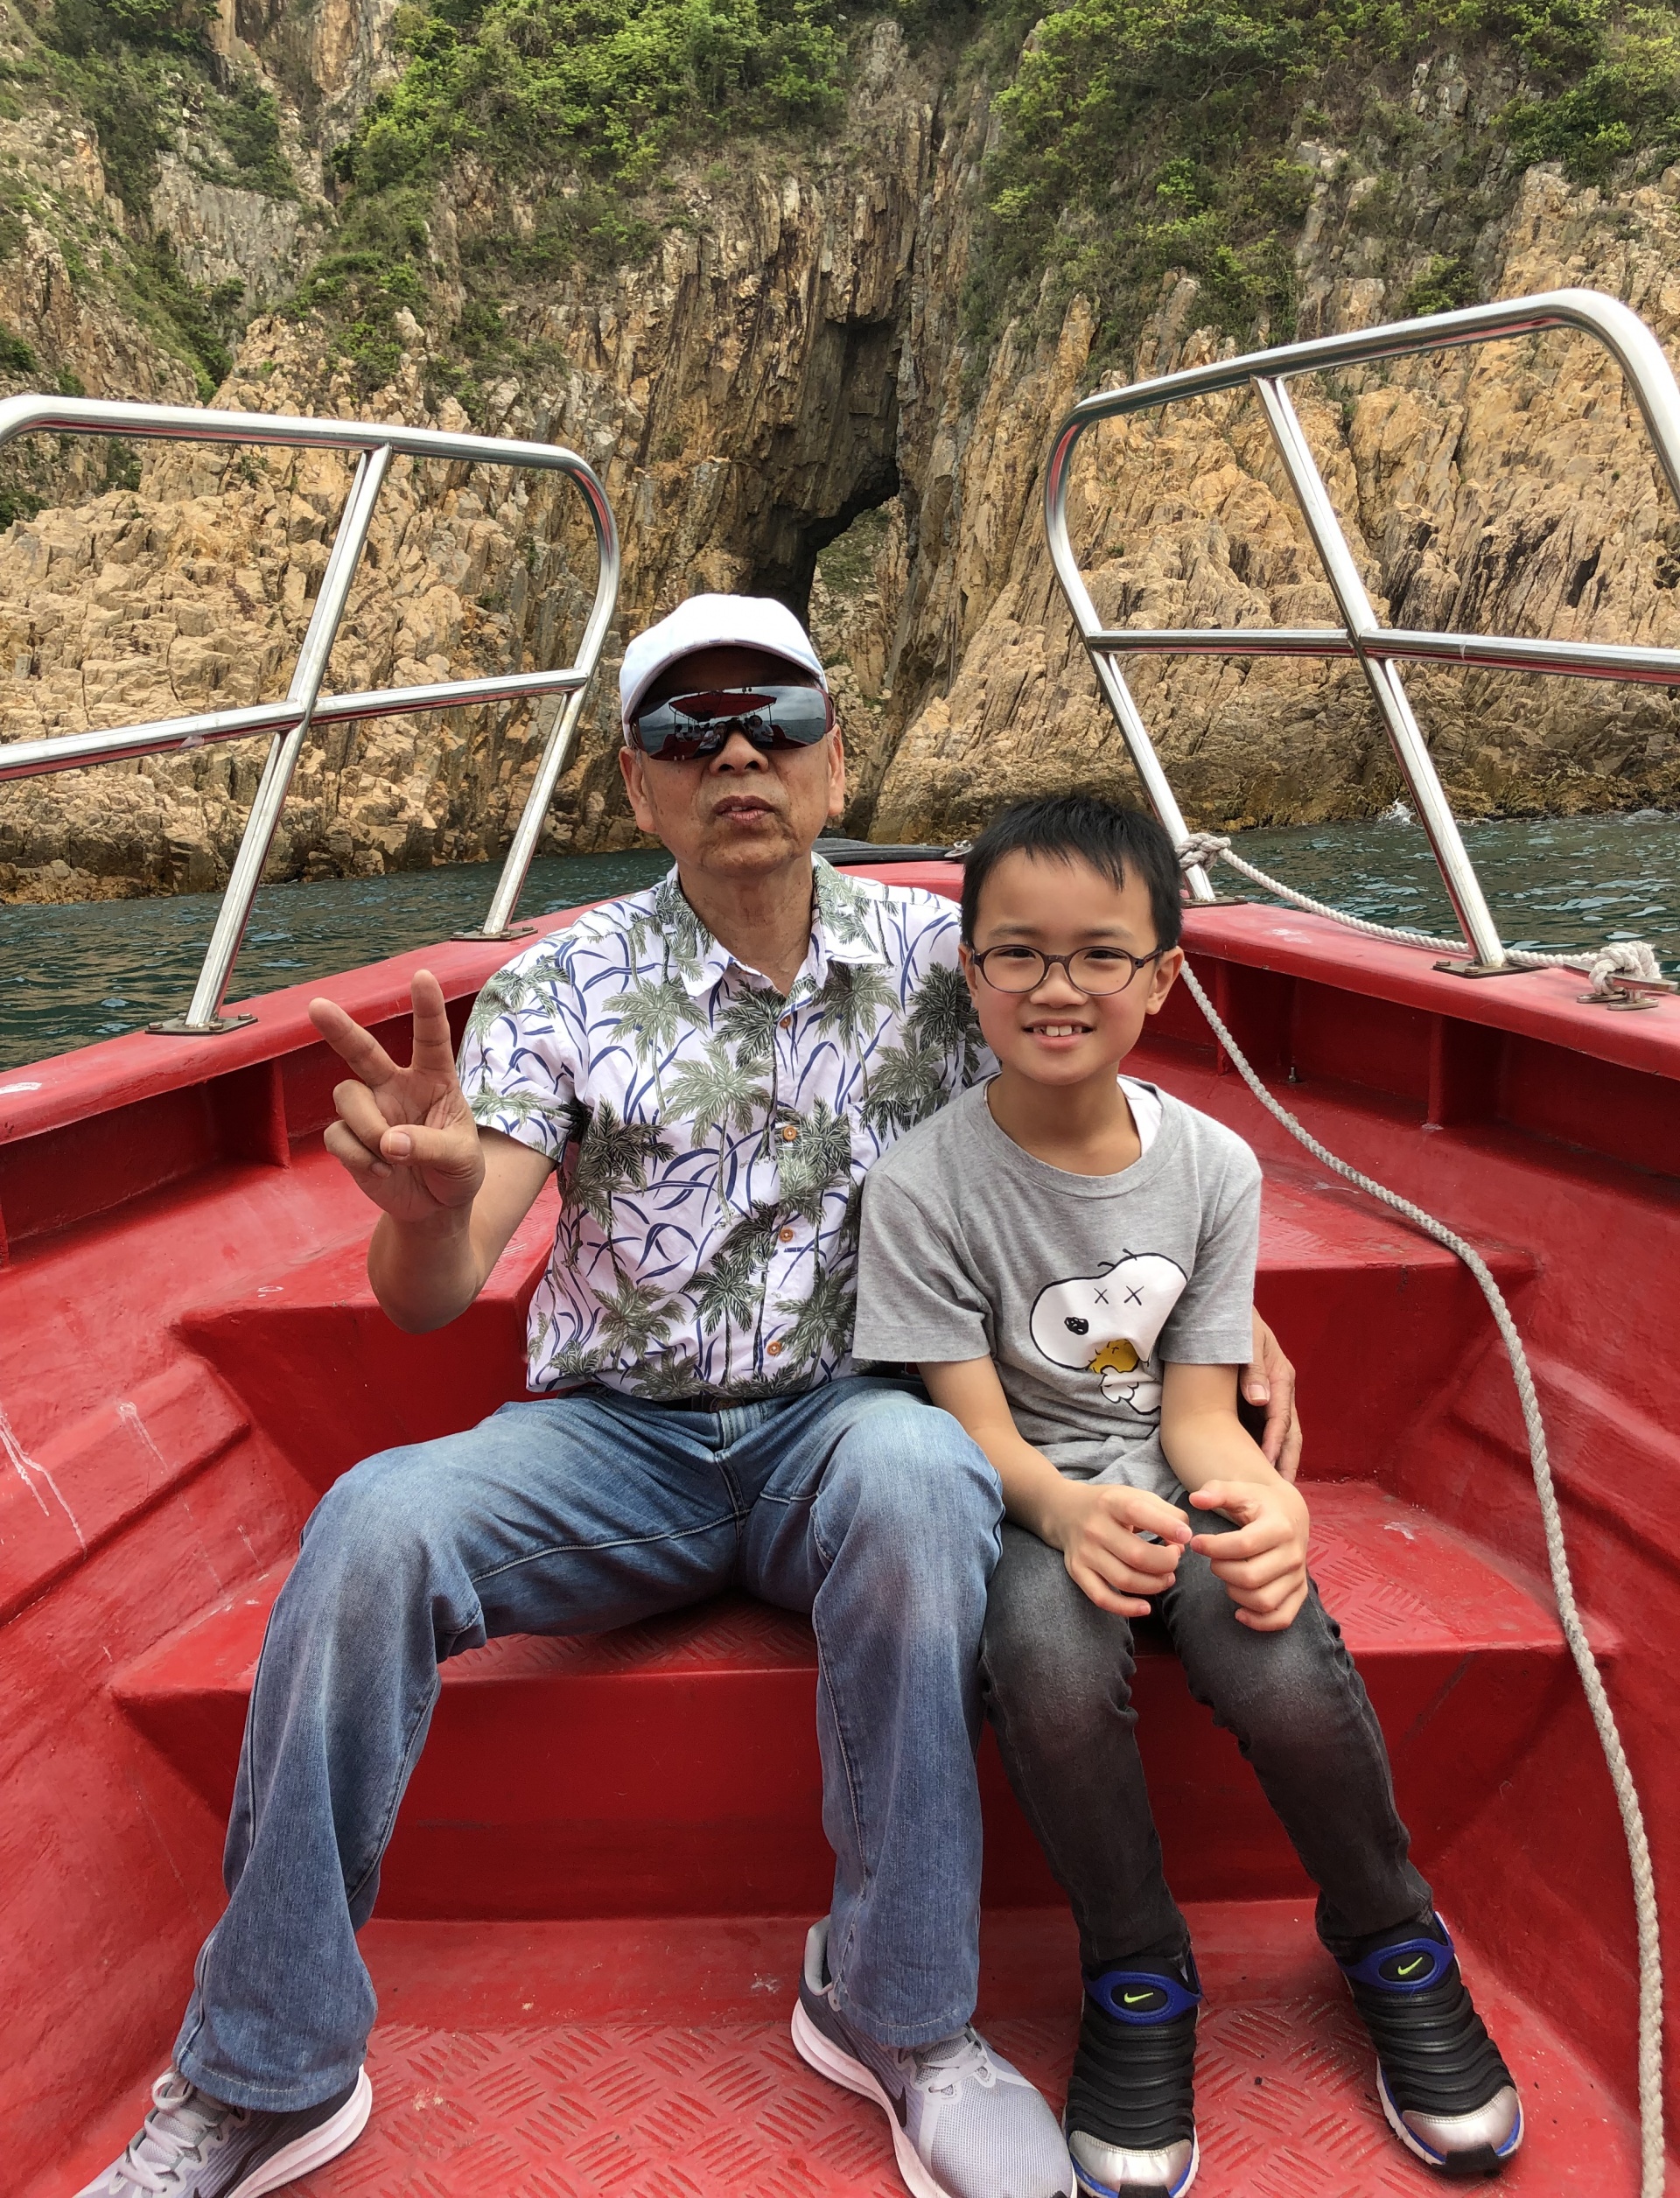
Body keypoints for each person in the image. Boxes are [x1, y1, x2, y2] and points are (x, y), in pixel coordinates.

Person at [80, 599, 1299, 2198]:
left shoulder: (948, 961)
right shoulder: (562, 986)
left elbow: (1094, 1127)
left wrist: (1226, 1308)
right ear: (637, 785)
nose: (736, 755)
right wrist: (428, 1212)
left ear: (835, 760)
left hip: (847, 1423)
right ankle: (263, 2072)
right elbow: (433, 1293)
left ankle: (900, 2017)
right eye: (685, 731)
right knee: (374, 1525)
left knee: (926, 1473)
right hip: (614, 1443)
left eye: (773, 720)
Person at [852, 793, 1522, 2198]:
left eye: (1102, 955)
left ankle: (1393, 1935)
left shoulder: (1214, 1167)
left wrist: (1270, 1510)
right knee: (1045, 1660)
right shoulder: (920, 1186)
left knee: (1274, 1641)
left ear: (1163, 976)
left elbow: (1202, 1417)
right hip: (1027, 1500)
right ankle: (1138, 1970)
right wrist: (1064, 1515)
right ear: (969, 970)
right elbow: (976, 1427)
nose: (1058, 988)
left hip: (1165, 1477)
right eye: (1018, 953)